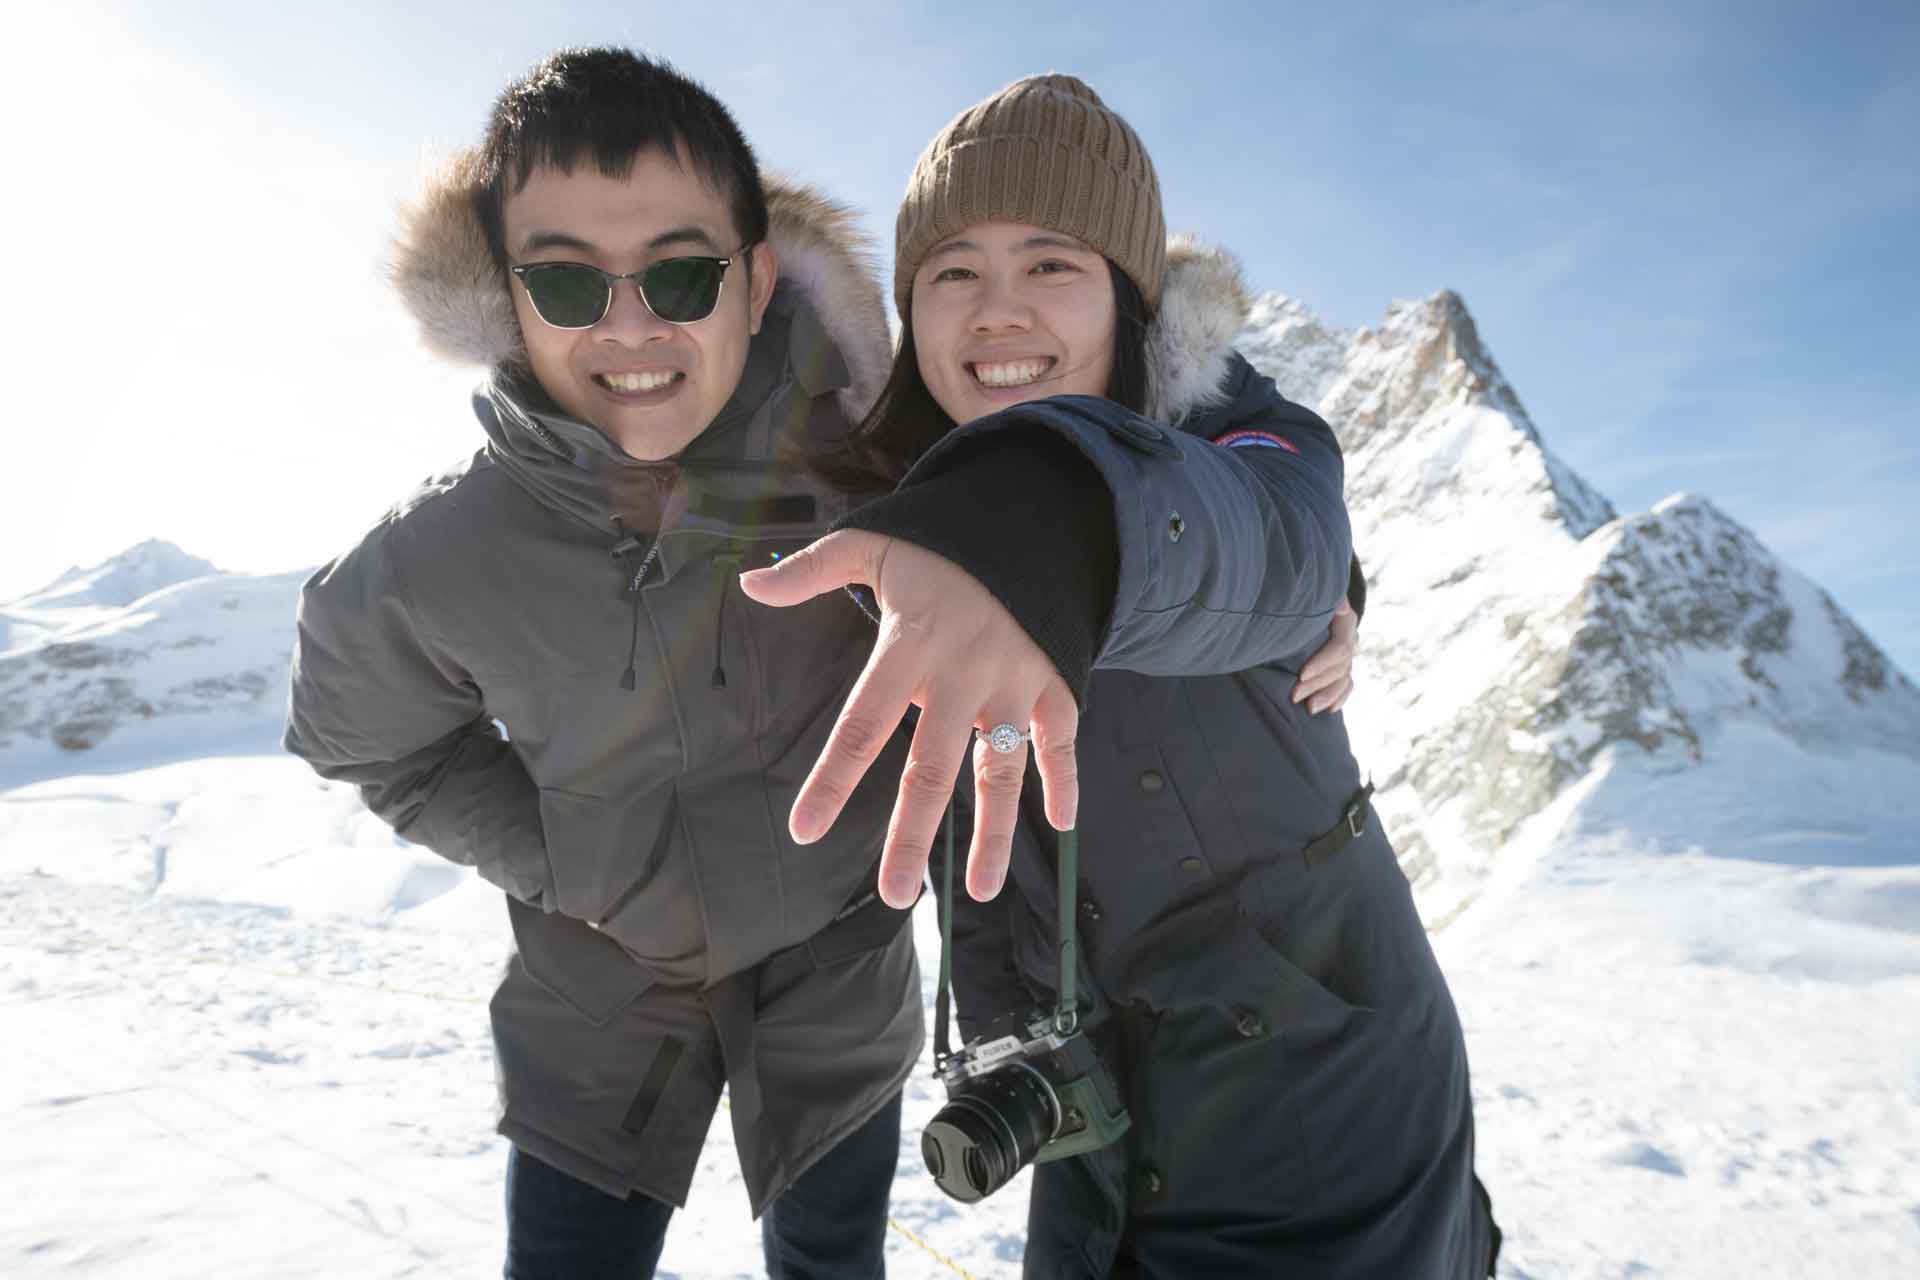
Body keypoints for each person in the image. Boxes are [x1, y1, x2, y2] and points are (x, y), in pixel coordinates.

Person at [739, 74, 1500, 1277]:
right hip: (1090, 1112)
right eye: (953, 272)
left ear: (1129, 298)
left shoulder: (1252, 440)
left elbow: (1280, 542)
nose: (997, 311)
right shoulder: (906, 524)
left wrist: (1050, 527)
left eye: (1051, 264)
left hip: (1325, 1115)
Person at [283, 48, 921, 1279]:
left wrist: (1326, 565)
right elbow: (370, 734)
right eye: (570, 284)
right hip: (600, 1006)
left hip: (839, 976)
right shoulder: (440, 558)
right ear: (503, 295)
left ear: (755, 279)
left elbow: (1103, 457)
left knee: (835, 1260)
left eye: (681, 274)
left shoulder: (876, 475)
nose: (631, 329)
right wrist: (555, 855)